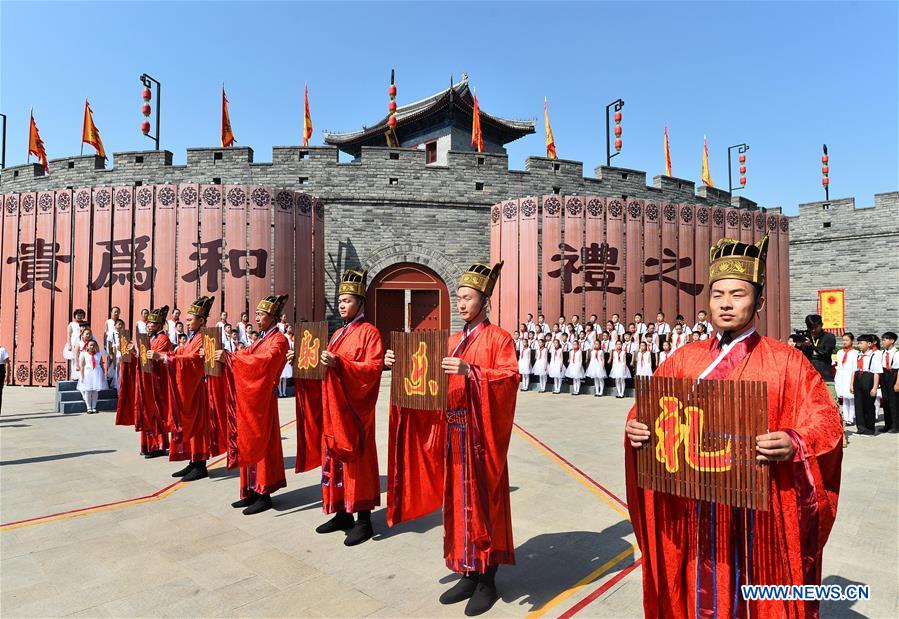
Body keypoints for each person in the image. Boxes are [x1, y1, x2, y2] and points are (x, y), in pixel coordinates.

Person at [624, 235, 843, 618]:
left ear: (758, 302)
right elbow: (648, 411)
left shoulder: (786, 362)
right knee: (697, 586)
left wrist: (795, 442)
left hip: (759, 512)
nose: (725, 303)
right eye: (717, 294)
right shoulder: (683, 359)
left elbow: (826, 421)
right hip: (693, 503)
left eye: (738, 294)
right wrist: (638, 429)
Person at [385, 261, 518, 616]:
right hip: (452, 433)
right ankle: (466, 568)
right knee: (457, 504)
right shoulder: (452, 339)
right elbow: (425, 377)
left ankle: (488, 577)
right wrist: (398, 363)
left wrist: (471, 371)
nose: (460, 304)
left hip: (481, 435)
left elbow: (509, 379)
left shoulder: (499, 338)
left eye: (467, 298)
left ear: (484, 302)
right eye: (458, 298)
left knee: (483, 504)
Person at [294, 270, 384, 545]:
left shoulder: (369, 333)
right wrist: (303, 359)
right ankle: (342, 512)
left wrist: (341, 364)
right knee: (333, 461)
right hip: (333, 411)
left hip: (354, 413)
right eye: (340, 301)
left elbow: (373, 368)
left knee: (357, 462)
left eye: (346, 300)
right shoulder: (336, 335)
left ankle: (364, 518)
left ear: (360, 302)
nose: (341, 305)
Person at [225, 295, 290, 515]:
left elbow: (265, 362)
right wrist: (228, 356)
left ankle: (264, 493)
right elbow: (245, 354)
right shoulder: (262, 339)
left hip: (264, 400)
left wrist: (232, 359)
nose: (257, 318)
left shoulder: (279, 340)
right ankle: (251, 490)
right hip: (252, 399)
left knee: (264, 444)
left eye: (261, 314)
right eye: (257, 314)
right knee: (249, 440)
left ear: (272, 317)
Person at [155, 296, 231, 483]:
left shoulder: (204, 339)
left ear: (202, 321)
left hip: (199, 389)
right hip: (192, 388)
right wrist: (166, 356)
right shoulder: (192, 338)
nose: (187, 323)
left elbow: (192, 360)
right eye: (187, 320)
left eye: (190, 320)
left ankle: (200, 464)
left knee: (198, 427)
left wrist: (165, 359)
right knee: (192, 426)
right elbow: (180, 354)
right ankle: (193, 460)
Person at [853, 334, 882, 435]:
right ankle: (861, 427)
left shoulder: (874, 355)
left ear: (869, 344)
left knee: (868, 404)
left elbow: (877, 372)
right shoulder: (858, 355)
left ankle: (870, 428)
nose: (859, 345)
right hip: (858, 378)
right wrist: (851, 384)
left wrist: (874, 387)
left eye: (861, 343)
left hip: (868, 377)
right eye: (859, 343)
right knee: (858, 404)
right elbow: (854, 370)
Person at [833, 333, 859, 428]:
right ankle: (845, 417)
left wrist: (852, 383)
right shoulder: (840, 352)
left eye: (847, 340)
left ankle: (851, 418)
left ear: (852, 341)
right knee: (844, 397)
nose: (844, 342)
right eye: (843, 340)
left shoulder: (855, 353)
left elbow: (854, 368)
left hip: (850, 375)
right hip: (841, 375)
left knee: (851, 397)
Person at [77, 340, 108, 414]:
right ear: (87, 346)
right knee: (88, 391)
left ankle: (94, 407)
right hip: (88, 373)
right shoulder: (84, 354)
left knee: (95, 391)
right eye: (90, 345)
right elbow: (82, 366)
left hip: (96, 373)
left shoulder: (98, 354)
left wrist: (103, 374)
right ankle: (88, 407)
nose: (92, 347)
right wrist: (81, 376)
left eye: (94, 345)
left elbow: (101, 365)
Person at [805, 314, 837, 381]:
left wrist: (811, 345)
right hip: (808, 376)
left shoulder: (829, 337)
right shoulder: (805, 337)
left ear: (821, 325)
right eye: (810, 328)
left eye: (815, 327)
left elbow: (826, 353)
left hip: (825, 376)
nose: (813, 330)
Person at [879, 331, 897, 433]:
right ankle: (887, 424)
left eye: (885, 339)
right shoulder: (883, 353)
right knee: (886, 401)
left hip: (893, 376)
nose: (883, 341)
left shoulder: (896, 353)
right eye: (882, 339)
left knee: (894, 403)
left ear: (892, 341)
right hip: (884, 377)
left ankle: (895, 425)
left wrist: (897, 383)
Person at [66, 308, 87, 379]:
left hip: (83, 342)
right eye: (78, 315)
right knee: (75, 358)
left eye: (81, 315)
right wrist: (69, 345)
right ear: (75, 316)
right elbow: (69, 335)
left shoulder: (85, 324)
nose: (80, 317)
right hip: (74, 343)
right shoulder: (71, 324)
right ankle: (75, 376)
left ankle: (82, 375)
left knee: (83, 357)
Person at [279, 325, 294, 397]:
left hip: (288, 357)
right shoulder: (284, 336)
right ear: (286, 328)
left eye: (291, 327)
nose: (290, 329)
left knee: (285, 378)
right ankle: (280, 392)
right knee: (281, 377)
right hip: (283, 357)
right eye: (289, 327)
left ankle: (284, 392)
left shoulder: (292, 337)